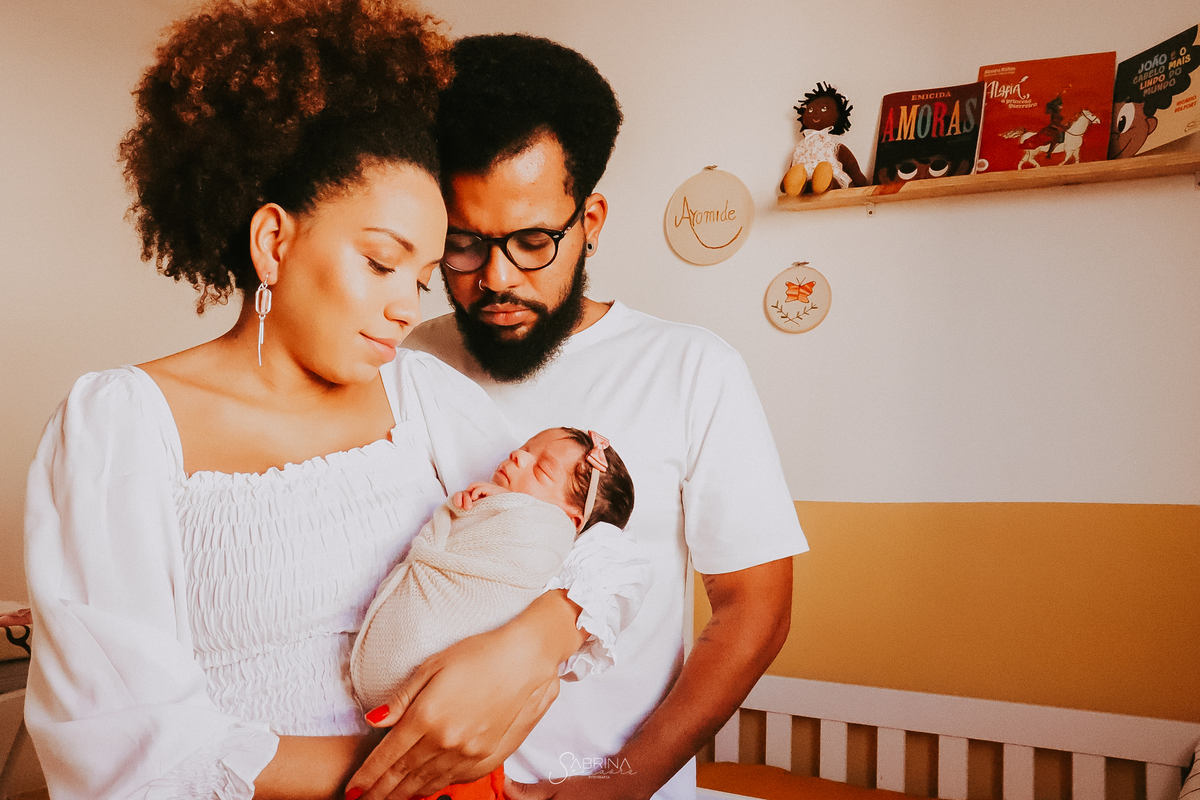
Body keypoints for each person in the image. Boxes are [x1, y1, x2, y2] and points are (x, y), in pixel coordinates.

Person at [23, 5, 642, 799]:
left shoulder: (420, 394)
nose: (405, 308)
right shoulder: (118, 426)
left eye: (421, 278)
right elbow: (124, 746)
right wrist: (413, 763)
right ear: (274, 241)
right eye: (381, 262)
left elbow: (600, 540)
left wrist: (534, 641)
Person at [401, 33, 810, 800]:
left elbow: (753, 607)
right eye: (463, 244)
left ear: (590, 220)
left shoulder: (691, 368)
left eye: (532, 242)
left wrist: (623, 785)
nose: (496, 277)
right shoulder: (403, 360)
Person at [351, 427, 636, 714]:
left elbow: (538, 536)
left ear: (572, 521)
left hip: (439, 677)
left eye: (542, 470)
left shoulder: (551, 535)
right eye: (526, 447)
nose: (519, 456)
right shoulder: (494, 506)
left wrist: (505, 505)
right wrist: (466, 511)